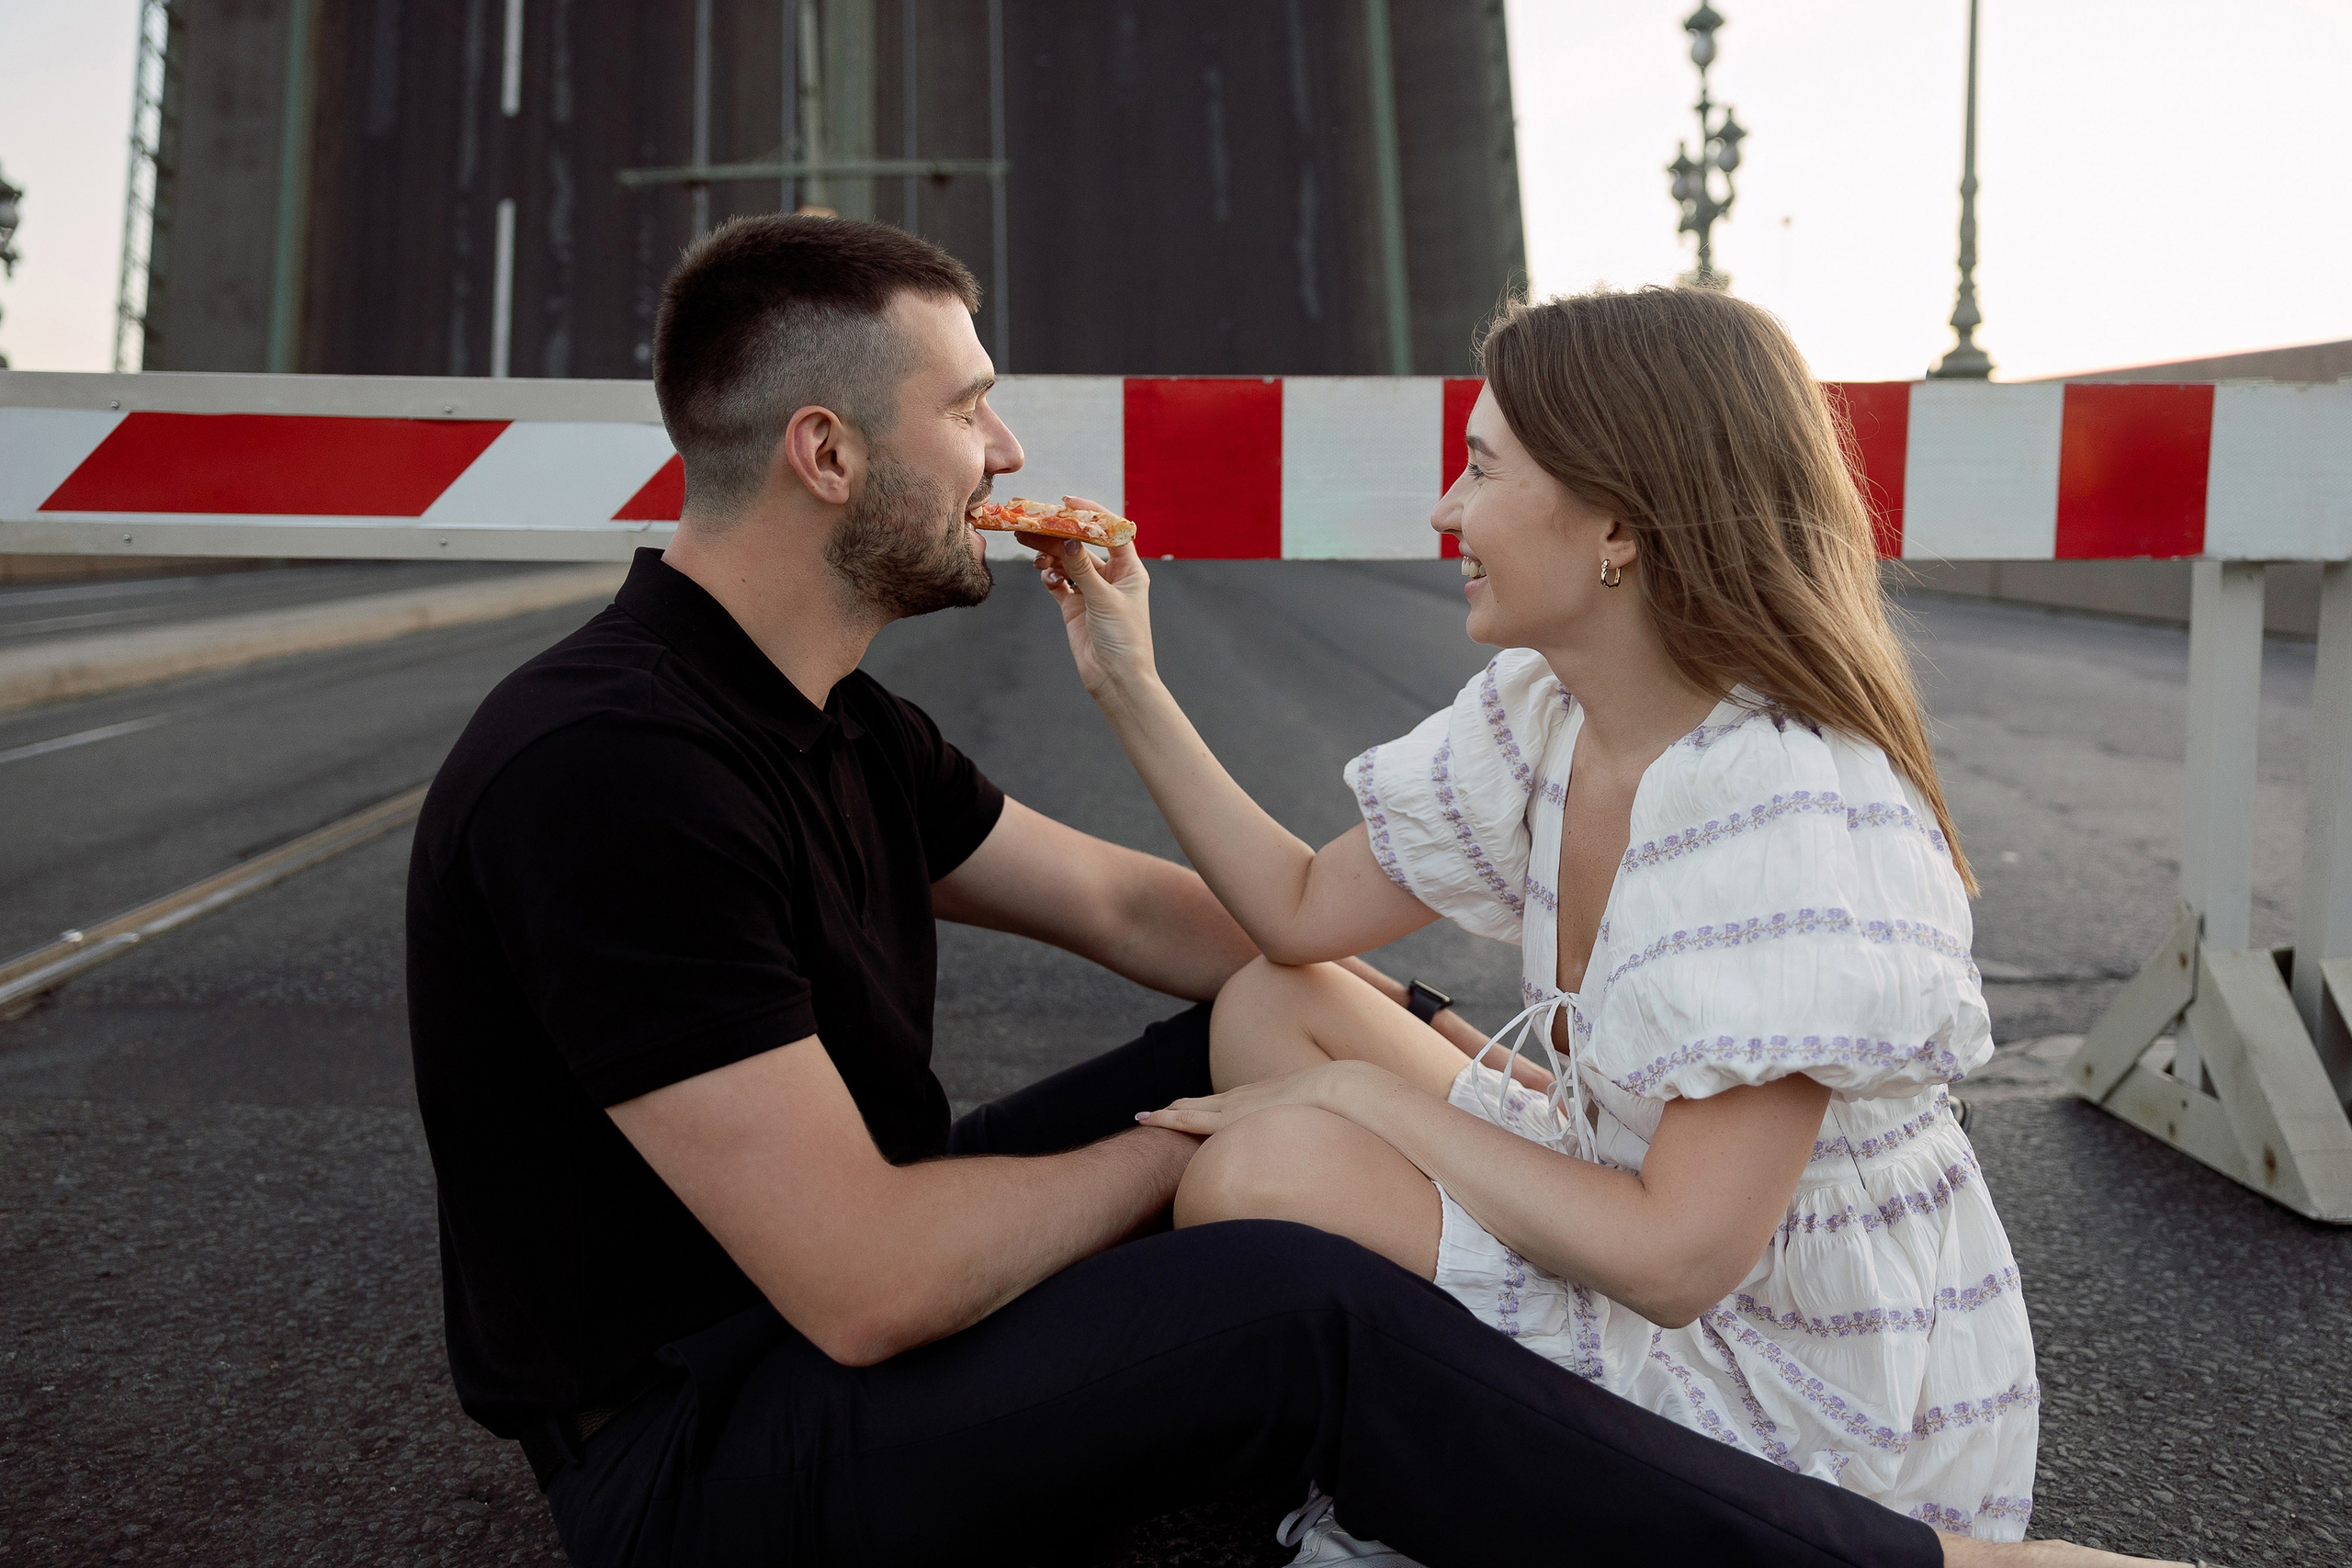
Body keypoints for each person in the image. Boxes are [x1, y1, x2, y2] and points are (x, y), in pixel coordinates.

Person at [406, 214, 2169, 1568]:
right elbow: (864, 1285)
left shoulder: (823, 725)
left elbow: (1147, 912)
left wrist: (1399, 1069)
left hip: (823, 1289)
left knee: (1252, 1036)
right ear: (826, 453)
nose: (1010, 454)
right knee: (1287, 1282)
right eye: (970, 409)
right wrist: (1218, 1144)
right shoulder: (615, 773)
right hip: (714, 1439)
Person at [1026, 284, 2043, 1562]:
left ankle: (1489, 1469)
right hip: (1639, 1215)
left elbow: (1681, 1264)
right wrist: (1129, 678)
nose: (1446, 512)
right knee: (1277, 1006)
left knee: (1262, 1170)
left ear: (1616, 522)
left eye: (1480, 469)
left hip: (1787, 1370)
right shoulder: (1549, 712)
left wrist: (1365, 1101)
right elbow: (1295, 912)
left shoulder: (1785, 809)